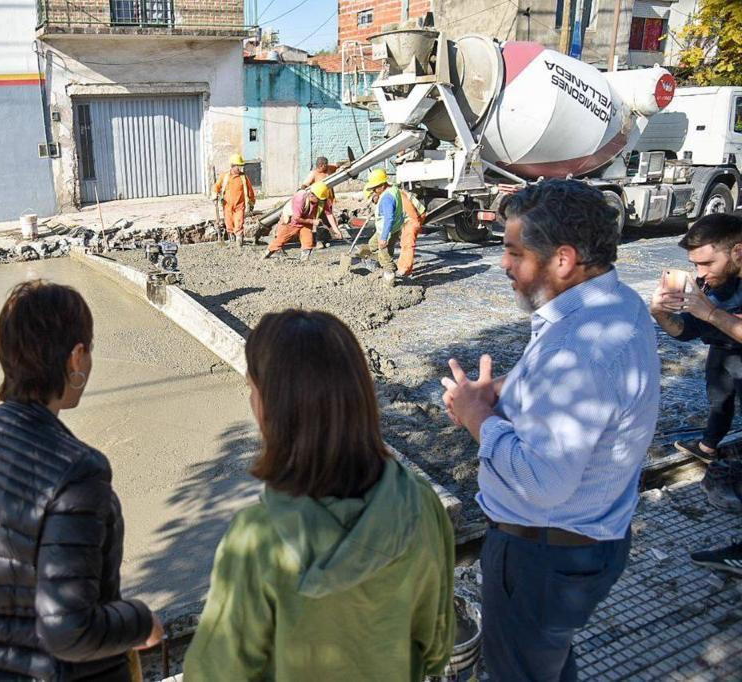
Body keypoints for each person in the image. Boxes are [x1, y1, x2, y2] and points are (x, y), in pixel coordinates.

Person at [441, 180, 660, 681]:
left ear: (562, 261)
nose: (503, 265)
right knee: (542, 661)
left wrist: (480, 419)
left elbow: (543, 482)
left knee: (518, 669)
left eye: (514, 252)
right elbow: (587, 394)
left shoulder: (579, 349)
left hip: (540, 558)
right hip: (581, 545)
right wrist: (506, 390)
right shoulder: (615, 304)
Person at [0, 280, 163, 681]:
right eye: (88, 350)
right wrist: (141, 622)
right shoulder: (79, 471)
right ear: (76, 357)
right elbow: (69, 631)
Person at [183, 309, 456, 681]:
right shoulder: (421, 505)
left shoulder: (256, 538)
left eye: (252, 388)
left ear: (272, 408)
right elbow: (437, 645)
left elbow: (215, 673)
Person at [650, 214, 742, 467]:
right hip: (723, 350)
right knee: (719, 400)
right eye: (695, 265)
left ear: (737, 252)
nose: (700, 274)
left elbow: (710, 317)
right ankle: (707, 447)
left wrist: (712, 314)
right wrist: (659, 312)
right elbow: (686, 331)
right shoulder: (712, 283)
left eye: (707, 263)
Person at [361, 168, 425, 285]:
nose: (374, 192)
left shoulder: (386, 198)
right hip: (393, 228)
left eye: (375, 189)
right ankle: (379, 259)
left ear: (382, 185)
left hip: (389, 230)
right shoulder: (393, 189)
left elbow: (389, 218)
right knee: (372, 244)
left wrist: (384, 238)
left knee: (387, 252)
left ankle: (390, 276)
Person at [262, 182, 333, 261]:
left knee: (308, 240)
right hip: (292, 220)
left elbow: (328, 214)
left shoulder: (317, 199)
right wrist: (312, 221)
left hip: (305, 221)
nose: (321, 201)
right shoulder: (300, 198)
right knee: (281, 239)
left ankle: (304, 260)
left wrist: (336, 231)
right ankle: (266, 255)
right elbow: (296, 218)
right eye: (319, 199)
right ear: (312, 195)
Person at [212, 153, 256, 248]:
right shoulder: (225, 177)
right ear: (232, 166)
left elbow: (250, 191)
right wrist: (214, 195)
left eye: (240, 166)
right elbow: (216, 186)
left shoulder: (243, 178)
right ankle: (231, 238)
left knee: (239, 222)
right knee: (229, 223)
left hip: (239, 205)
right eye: (237, 166)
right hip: (227, 205)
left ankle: (239, 239)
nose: (239, 169)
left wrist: (252, 202)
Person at [300, 156, 344, 248]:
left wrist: (344, 163)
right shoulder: (313, 174)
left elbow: (337, 165)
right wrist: (302, 194)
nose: (326, 167)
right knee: (319, 221)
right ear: (320, 165)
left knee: (327, 220)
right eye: (325, 166)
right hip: (317, 201)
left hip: (327, 199)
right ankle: (318, 240)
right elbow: (305, 184)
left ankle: (326, 239)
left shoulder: (328, 169)